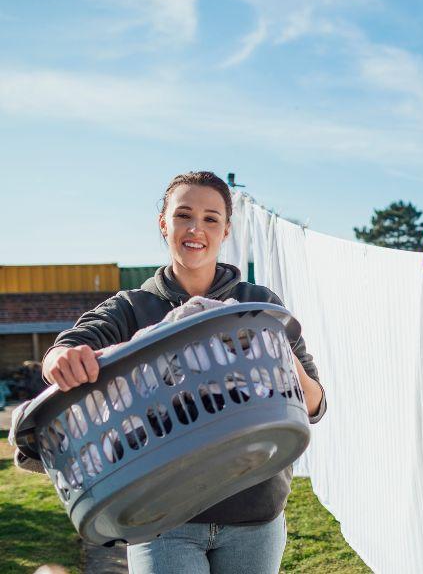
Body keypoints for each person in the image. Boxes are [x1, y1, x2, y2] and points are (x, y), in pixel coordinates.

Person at [41, 171, 326, 574]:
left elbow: (314, 403)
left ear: (226, 230)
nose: (196, 229)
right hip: (162, 520)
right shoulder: (133, 309)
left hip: (254, 514)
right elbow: (71, 344)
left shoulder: (258, 303)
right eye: (183, 215)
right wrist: (61, 358)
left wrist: (275, 343)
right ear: (164, 224)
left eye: (211, 218)